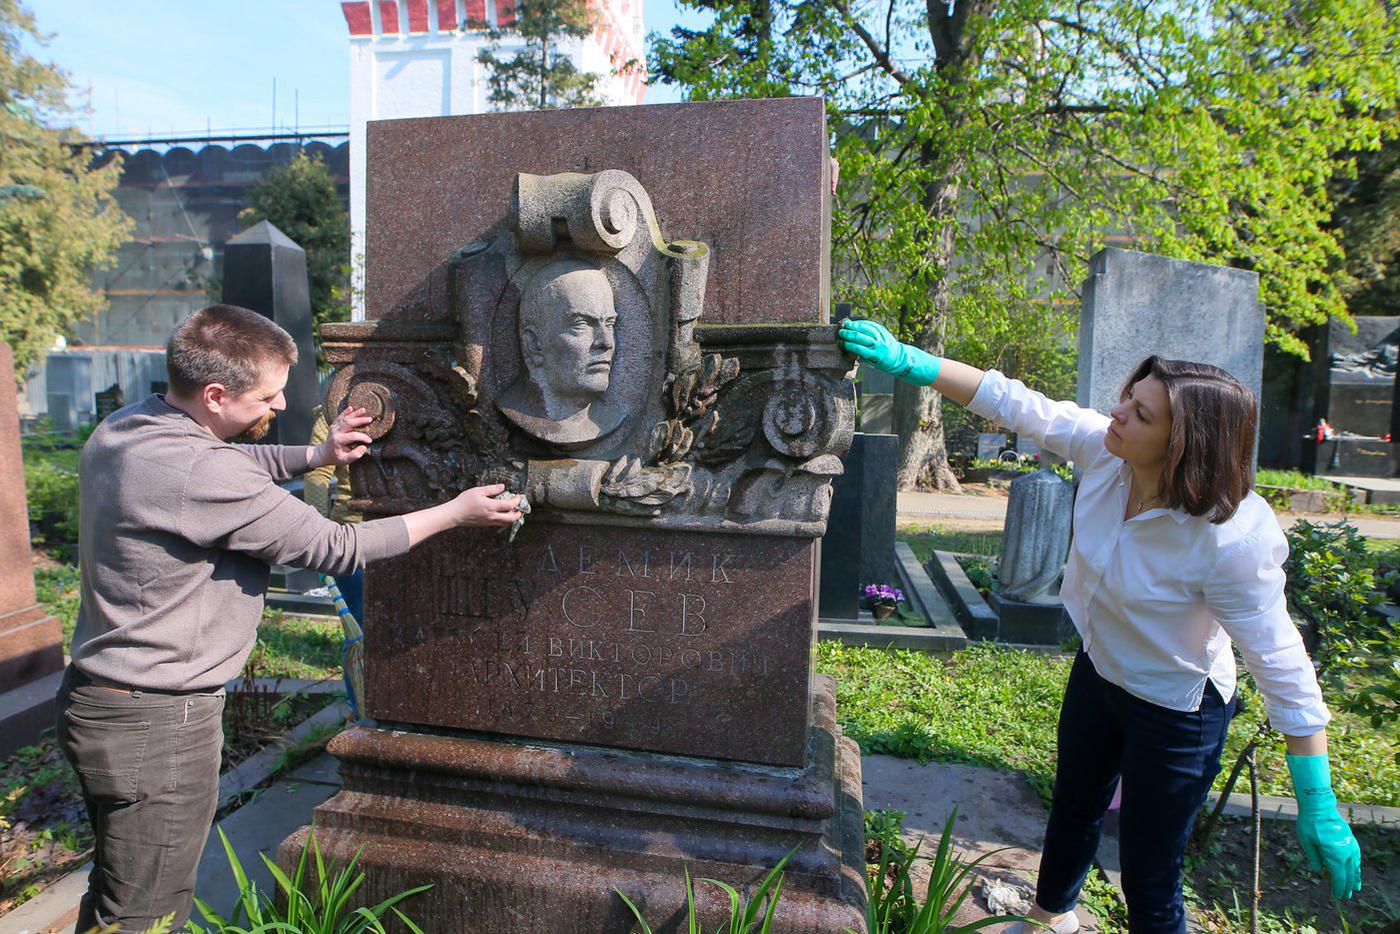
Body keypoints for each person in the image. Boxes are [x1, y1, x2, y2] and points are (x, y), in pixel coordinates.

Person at [838, 318, 1362, 934]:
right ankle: (1049, 918)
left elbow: (1281, 664)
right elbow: (1019, 403)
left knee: (1149, 872)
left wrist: (1318, 799)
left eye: (1141, 414)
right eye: (1128, 397)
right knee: (1074, 807)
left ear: (1185, 442)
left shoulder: (1230, 538)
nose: (1117, 413)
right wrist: (913, 361)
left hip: (1176, 710)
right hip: (1100, 670)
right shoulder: (1106, 455)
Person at [58, 303, 523, 932]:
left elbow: (222, 466)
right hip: (159, 724)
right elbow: (341, 548)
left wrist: (317, 454)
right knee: (145, 911)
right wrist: (454, 512)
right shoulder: (202, 470)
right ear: (217, 395)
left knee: (118, 887)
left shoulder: (133, 427)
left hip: (100, 701)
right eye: (268, 398)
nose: (279, 407)